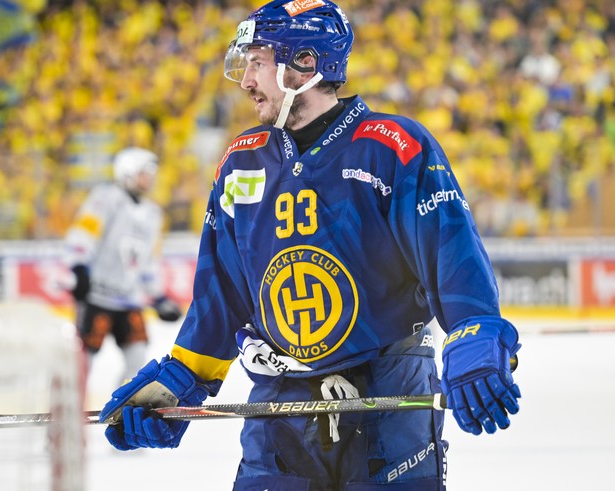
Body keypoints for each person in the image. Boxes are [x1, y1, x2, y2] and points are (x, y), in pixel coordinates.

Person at [98, 2, 522, 490]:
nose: (245, 80)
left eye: (257, 62)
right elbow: (224, 293)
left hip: (389, 395)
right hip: (279, 404)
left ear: (305, 64)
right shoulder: (240, 162)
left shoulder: (392, 145)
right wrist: (182, 377)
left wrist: (474, 332)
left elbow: (451, 254)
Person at [64, 147, 182, 385]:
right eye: (144, 172)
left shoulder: (153, 214)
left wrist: (158, 297)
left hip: (130, 300)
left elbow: (147, 261)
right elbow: (84, 232)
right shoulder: (106, 198)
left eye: (151, 173)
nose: (149, 178)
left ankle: (122, 411)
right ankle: (71, 410)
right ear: (126, 172)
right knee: (83, 361)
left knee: (137, 361)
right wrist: (78, 267)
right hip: (97, 295)